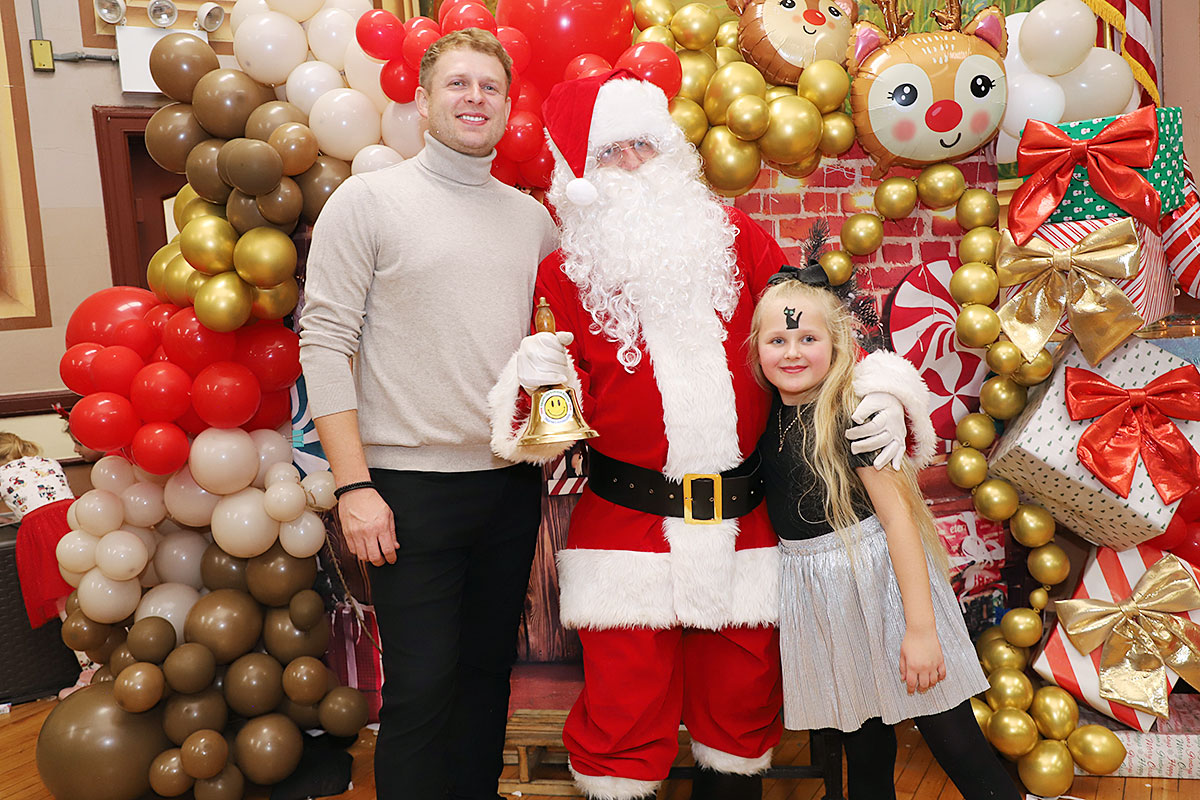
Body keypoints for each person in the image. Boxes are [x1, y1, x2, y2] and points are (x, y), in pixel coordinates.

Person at [488, 70, 933, 800]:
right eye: (610, 153)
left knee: (740, 713)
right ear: (580, 179)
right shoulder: (563, 277)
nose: (633, 164)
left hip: (743, 528)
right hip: (627, 534)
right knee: (623, 719)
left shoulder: (737, 238)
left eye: (643, 144)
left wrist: (882, 391)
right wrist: (536, 383)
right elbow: (545, 433)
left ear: (669, 149)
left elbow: (812, 332)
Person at [297, 29, 558, 800]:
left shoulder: (532, 221)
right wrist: (353, 486)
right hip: (405, 490)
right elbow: (324, 343)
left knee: (486, 680)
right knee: (420, 690)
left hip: (509, 486)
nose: (475, 97)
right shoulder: (368, 201)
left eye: (489, 86)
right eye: (458, 83)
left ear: (507, 105)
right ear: (421, 99)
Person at [749, 262, 1021, 800]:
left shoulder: (856, 416)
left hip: (887, 588)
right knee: (864, 752)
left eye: (808, 338)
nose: (793, 352)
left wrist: (920, 631)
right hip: (823, 600)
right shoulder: (765, 419)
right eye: (778, 340)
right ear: (757, 347)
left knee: (957, 743)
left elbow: (898, 521)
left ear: (837, 342)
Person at [0, 432, 76, 628]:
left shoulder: (1, 474)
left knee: (58, 588)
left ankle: (79, 641)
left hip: (41, 529)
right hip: (72, 519)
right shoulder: (49, 462)